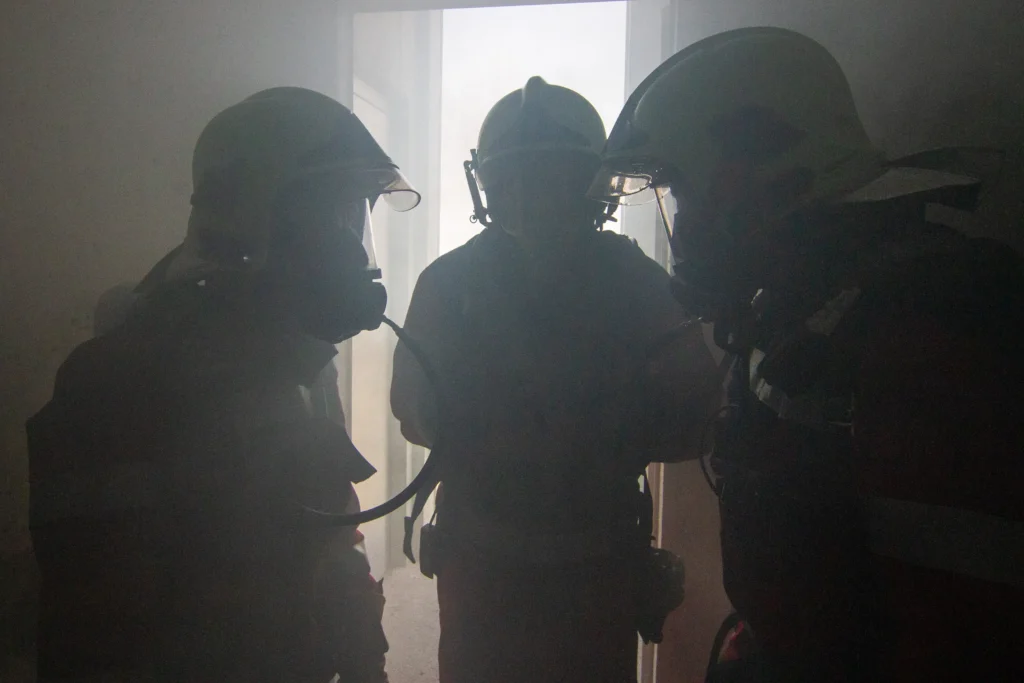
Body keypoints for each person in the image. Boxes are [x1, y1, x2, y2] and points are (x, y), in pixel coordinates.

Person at [590, 26, 1024, 682]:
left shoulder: (924, 331)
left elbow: (957, 631)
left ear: (749, 178)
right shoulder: (810, 303)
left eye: (680, 189)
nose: (680, 222)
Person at [27, 86, 421, 683]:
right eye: (329, 216)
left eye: (355, 217)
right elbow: (95, 620)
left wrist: (361, 645)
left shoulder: (298, 358)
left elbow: (331, 515)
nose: (348, 248)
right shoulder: (118, 379)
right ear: (246, 216)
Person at [390, 76, 719, 683]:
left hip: (546, 557)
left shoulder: (451, 281)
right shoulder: (633, 281)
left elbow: (695, 416)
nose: (534, 192)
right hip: (544, 556)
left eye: (548, 174)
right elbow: (413, 412)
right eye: (523, 175)